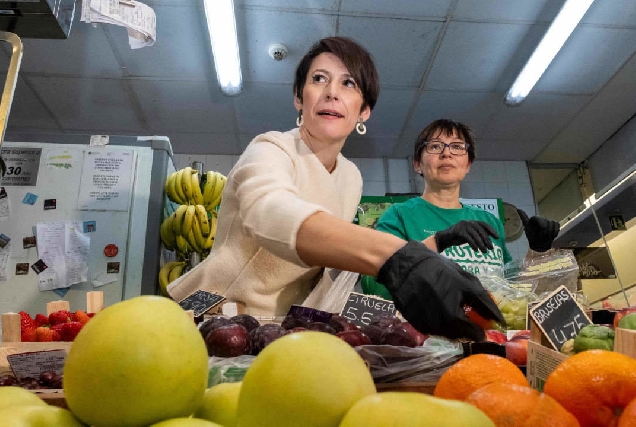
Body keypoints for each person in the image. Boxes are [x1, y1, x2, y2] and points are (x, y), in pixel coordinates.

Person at [167, 38, 503, 341]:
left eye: (348, 83)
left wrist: (432, 248)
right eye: (319, 79)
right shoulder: (271, 148)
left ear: (364, 110)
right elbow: (268, 211)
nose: (331, 92)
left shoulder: (351, 177)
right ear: (299, 98)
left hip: (282, 330)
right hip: (218, 319)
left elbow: (341, 260)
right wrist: (394, 256)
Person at [361, 118, 560, 300]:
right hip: (427, 336)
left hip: (488, 335)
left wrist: (538, 252)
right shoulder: (398, 215)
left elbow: (512, 290)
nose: (446, 153)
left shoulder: (489, 221)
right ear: (417, 165)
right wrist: (437, 242)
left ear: (468, 165)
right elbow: (375, 287)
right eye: (435, 146)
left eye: (457, 147)